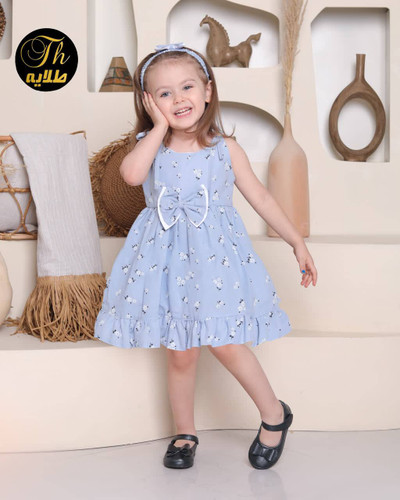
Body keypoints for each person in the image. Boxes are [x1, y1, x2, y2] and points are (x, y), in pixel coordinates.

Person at [94, 42, 318, 471]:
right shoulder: (150, 146)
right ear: (149, 102)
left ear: (208, 91)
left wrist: (296, 241)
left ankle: (275, 413)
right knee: (180, 351)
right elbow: (131, 175)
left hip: (214, 260)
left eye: (187, 87)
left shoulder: (224, 148)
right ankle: (185, 432)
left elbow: (261, 198)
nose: (178, 99)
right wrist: (158, 128)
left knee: (226, 342)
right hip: (165, 262)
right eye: (164, 93)